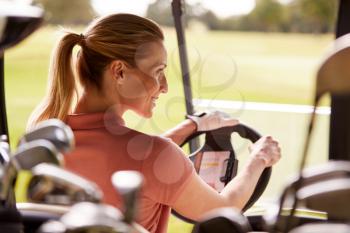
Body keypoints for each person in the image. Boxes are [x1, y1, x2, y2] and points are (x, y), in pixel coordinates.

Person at [27, 14, 281, 233]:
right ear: (119, 72)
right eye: (158, 71)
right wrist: (258, 159)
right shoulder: (155, 155)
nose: (165, 86)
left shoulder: (46, 142)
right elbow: (225, 209)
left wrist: (192, 127)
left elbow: (126, 159)